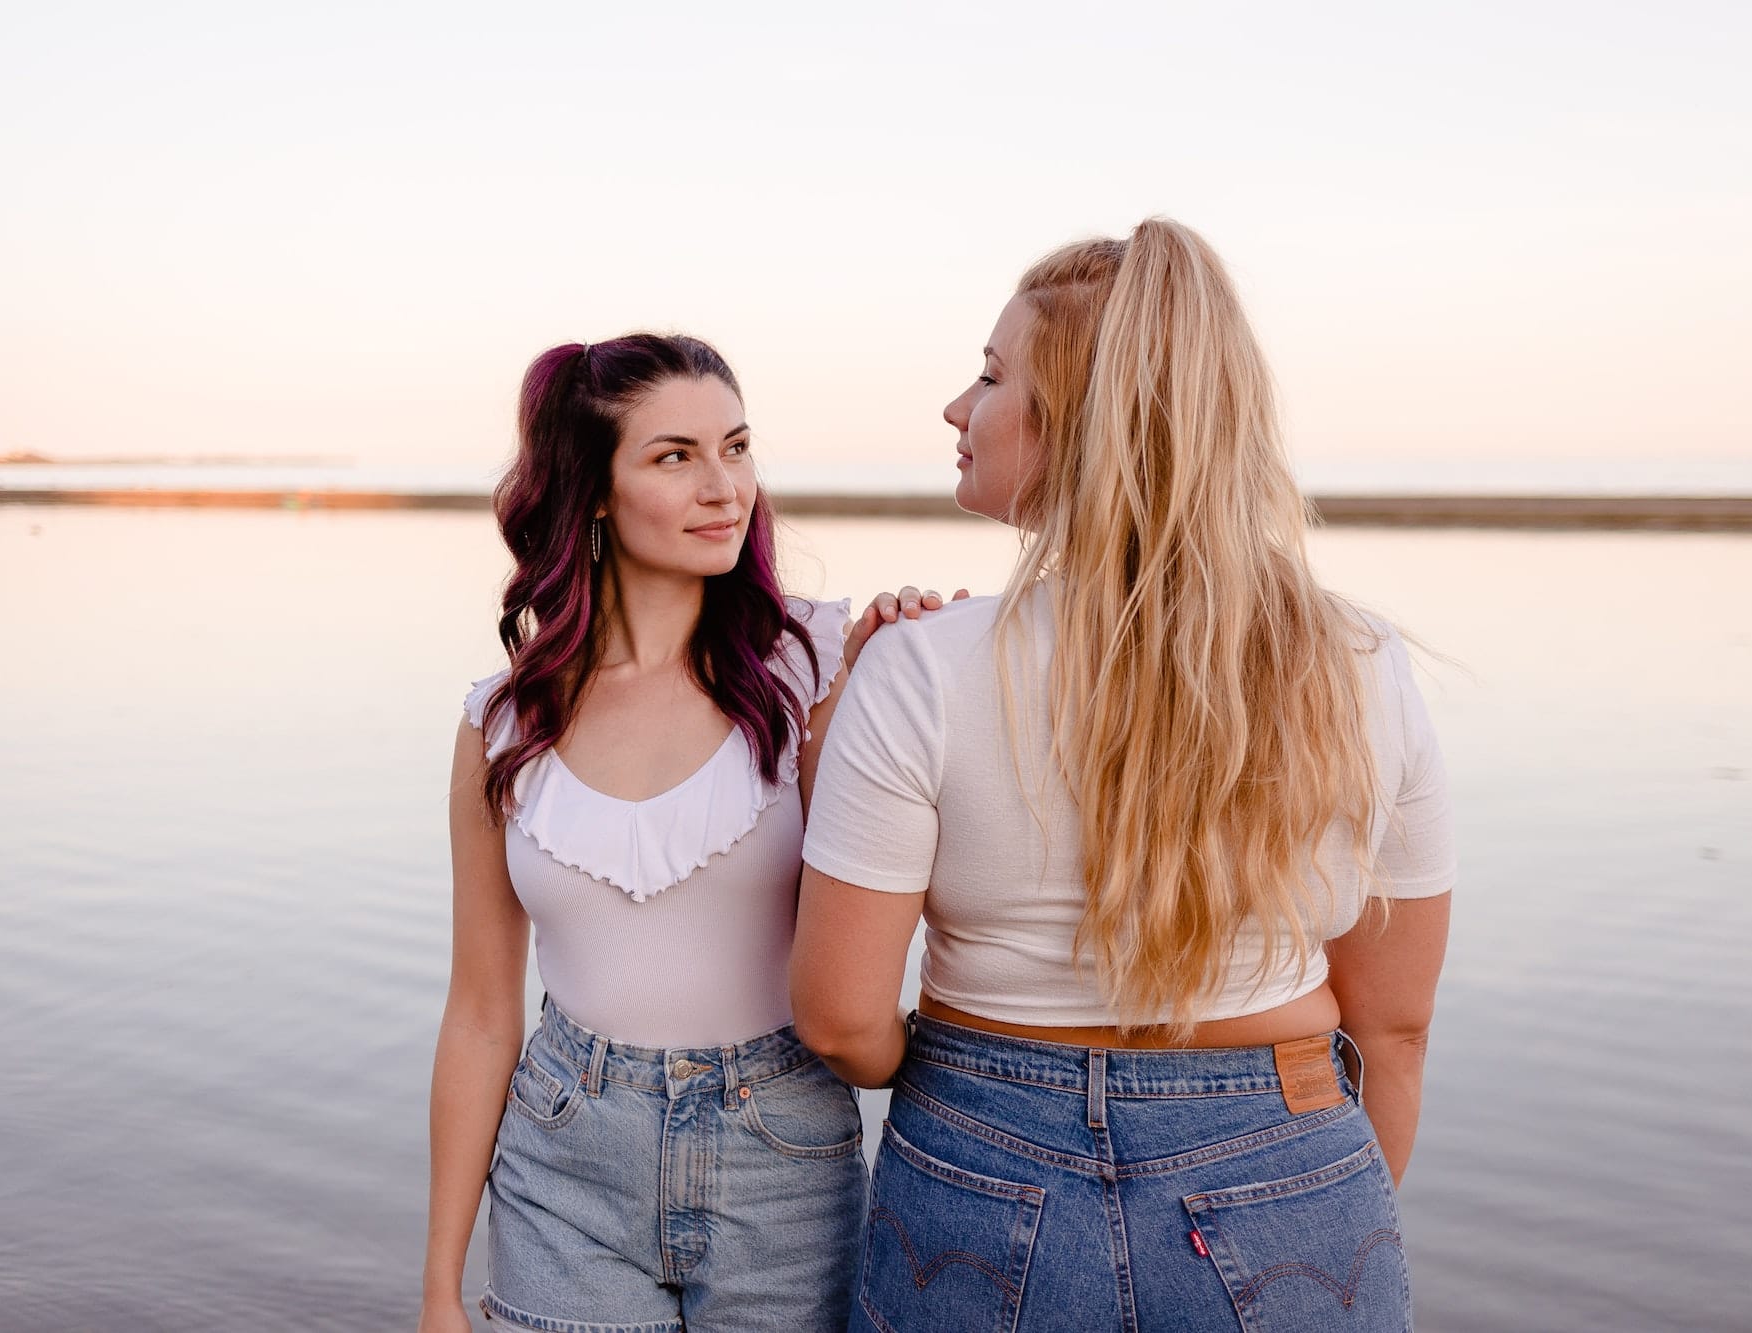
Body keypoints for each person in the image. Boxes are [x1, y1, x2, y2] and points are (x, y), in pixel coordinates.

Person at [791, 219, 1457, 1331]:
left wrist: (973, 1077)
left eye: (991, 377)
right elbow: (1393, 1031)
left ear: (1075, 424)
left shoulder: (919, 667)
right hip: (1291, 1154)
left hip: (976, 1157)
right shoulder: (1362, 666)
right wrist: (1315, 1207)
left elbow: (838, 1021)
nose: (957, 408)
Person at [418, 333, 950, 1333]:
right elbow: (482, 1012)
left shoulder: (824, 665)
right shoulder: (502, 721)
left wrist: (921, 668)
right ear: (596, 491)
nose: (725, 486)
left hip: (778, 1147)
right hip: (562, 1151)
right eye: (675, 456)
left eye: (737, 447)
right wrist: (439, 1287)